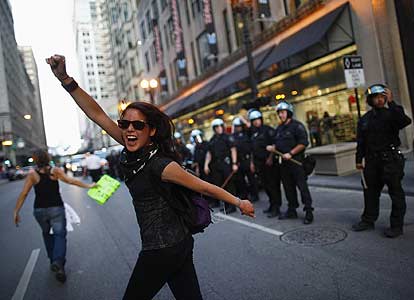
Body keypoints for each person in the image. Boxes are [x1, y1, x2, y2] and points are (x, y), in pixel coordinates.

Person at [46, 54, 254, 300]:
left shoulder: (160, 165)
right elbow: (98, 115)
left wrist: (239, 202)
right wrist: (65, 79)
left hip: (162, 249)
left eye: (138, 126)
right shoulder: (130, 147)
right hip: (177, 245)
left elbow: (205, 188)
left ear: (152, 131)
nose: (130, 129)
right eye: (125, 125)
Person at [13, 149, 95, 283]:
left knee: (47, 234)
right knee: (60, 235)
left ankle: (53, 261)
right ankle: (58, 262)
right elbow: (71, 181)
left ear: (35, 160)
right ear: (47, 158)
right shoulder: (55, 171)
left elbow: (24, 194)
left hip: (39, 210)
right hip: (56, 208)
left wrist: (16, 212)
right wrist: (89, 186)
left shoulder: (32, 174)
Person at [352, 84, 412, 238]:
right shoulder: (365, 120)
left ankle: (396, 226)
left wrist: (392, 102)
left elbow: (405, 121)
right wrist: (359, 160)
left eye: (382, 97)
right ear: (370, 100)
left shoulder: (392, 113)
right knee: (370, 193)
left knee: (396, 193)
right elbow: (361, 142)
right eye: (376, 97)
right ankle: (368, 220)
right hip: (372, 162)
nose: (379, 100)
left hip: (390, 160)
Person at [267, 101, 314, 224]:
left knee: (302, 188)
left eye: (283, 112)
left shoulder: (297, 126)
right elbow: (276, 144)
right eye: (279, 113)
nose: (281, 115)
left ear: (289, 113)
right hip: (284, 164)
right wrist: (272, 151)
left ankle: (308, 211)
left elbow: (303, 143)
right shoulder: (279, 129)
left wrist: (291, 153)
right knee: (288, 188)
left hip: (296, 162)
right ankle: (292, 209)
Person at [248, 110, 282, 218]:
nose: (256, 122)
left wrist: (270, 158)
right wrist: (252, 163)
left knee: (273, 186)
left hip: (269, 163)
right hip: (259, 164)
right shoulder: (253, 133)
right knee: (266, 186)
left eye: (257, 120)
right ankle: (272, 205)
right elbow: (252, 150)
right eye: (254, 120)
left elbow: (274, 145)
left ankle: (276, 207)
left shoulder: (268, 130)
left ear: (261, 119)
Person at [204, 118, 239, 213]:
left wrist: (234, 163)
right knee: (220, 186)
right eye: (216, 127)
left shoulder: (227, 137)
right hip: (216, 166)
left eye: (220, 126)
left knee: (229, 186)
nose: (219, 128)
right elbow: (209, 153)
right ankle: (226, 205)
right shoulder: (212, 139)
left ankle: (232, 206)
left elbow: (233, 150)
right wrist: (206, 165)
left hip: (226, 164)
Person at [232, 117, 259, 203]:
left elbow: (251, 128)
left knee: (251, 179)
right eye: (237, 126)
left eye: (240, 126)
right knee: (241, 180)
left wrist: (243, 120)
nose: (238, 128)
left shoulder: (247, 133)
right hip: (239, 161)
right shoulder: (233, 136)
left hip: (247, 159)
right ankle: (244, 195)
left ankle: (254, 195)